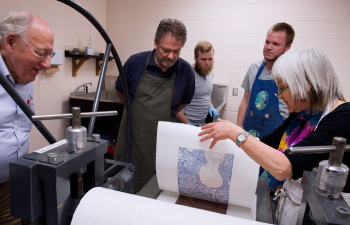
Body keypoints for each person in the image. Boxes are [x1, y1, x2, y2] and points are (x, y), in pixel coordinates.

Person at [199, 47, 350, 225]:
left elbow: (285, 167)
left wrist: (236, 133)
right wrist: (230, 134)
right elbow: (265, 143)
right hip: (296, 205)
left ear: (305, 85)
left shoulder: (343, 117)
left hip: (322, 215)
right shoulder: (303, 115)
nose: (279, 95)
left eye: (282, 87)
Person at [114, 18, 195, 193]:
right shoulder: (134, 63)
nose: (171, 56)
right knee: (124, 191)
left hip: (161, 146)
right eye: (166, 50)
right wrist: (135, 109)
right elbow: (120, 91)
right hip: (131, 141)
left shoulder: (186, 72)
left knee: (155, 194)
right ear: (155, 42)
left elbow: (182, 103)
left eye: (176, 51)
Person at [0, 11, 54, 224]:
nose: (47, 64)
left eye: (51, 54)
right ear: (11, 42)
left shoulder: (25, 76)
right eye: (41, 52)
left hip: (11, 184)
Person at [237, 22, 295, 138]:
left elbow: (294, 111)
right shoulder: (254, 68)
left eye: (276, 44)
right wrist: (238, 130)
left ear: (287, 47)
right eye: (267, 42)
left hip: (275, 137)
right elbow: (245, 101)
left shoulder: (290, 73)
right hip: (249, 135)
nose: (269, 47)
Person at [176, 41, 219, 126]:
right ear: (195, 59)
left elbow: (205, 94)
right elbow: (175, 107)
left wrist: (211, 106)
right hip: (185, 124)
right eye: (203, 59)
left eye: (210, 59)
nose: (207, 63)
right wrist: (188, 124)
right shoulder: (187, 75)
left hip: (201, 124)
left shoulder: (209, 72)